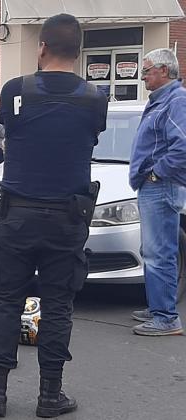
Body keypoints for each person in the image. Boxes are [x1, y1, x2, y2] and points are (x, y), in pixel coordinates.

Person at [0, 14, 108, 418]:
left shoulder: (16, 90)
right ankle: (51, 396)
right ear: (79, 50)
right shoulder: (95, 97)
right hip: (68, 218)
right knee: (57, 306)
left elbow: (12, 132)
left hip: (17, 215)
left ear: (43, 47)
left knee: (6, 302)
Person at [128, 48, 186, 336]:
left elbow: (183, 146)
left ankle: (166, 318)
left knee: (160, 252)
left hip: (161, 186)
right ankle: (158, 307)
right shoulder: (163, 101)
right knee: (153, 250)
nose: (143, 76)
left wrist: (155, 173)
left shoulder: (176, 101)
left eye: (147, 70)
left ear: (164, 70)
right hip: (155, 187)